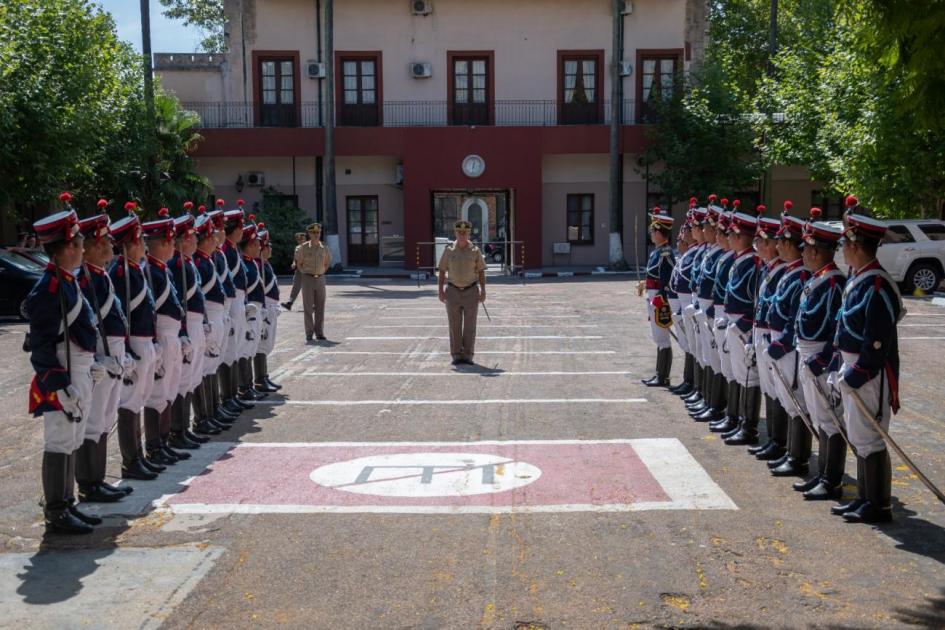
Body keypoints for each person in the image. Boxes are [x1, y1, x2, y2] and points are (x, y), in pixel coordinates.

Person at [28, 193, 103, 534]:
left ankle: (67, 502)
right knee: (58, 440)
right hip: (63, 371)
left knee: (72, 438)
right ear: (68, 246)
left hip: (79, 368)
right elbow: (41, 346)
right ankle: (56, 510)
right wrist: (59, 385)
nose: (83, 248)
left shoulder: (68, 282)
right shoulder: (49, 289)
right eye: (79, 242)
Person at [829, 196, 902, 524]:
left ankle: (879, 504)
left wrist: (859, 372)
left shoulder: (876, 283)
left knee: (871, 437)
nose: (842, 249)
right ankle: (865, 499)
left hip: (869, 372)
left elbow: (878, 338)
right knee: (859, 434)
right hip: (854, 366)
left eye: (846, 243)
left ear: (857, 245)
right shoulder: (860, 277)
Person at [76, 210, 134, 503]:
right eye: (107, 242)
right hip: (100, 353)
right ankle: (89, 482)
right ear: (95, 246)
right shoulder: (85, 279)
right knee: (93, 421)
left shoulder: (99, 276)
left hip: (113, 351)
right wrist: (97, 357)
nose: (112, 246)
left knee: (105, 418)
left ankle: (97, 478)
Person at [793, 211, 847, 500]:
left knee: (830, 419)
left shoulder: (833, 283)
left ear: (816, 251)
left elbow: (836, 329)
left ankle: (832, 480)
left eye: (806, 248)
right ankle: (823, 475)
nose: (802, 253)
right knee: (818, 417)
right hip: (808, 355)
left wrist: (823, 360)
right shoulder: (818, 279)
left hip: (821, 361)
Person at [109, 203, 162, 480]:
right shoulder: (120, 273)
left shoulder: (134, 270)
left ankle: (139, 455)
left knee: (139, 399)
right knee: (129, 402)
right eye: (140, 239)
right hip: (133, 344)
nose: (144, 244)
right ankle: (131, 461)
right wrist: (128, 349)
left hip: (144, 341)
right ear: (129, 244)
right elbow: (122, 314)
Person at [765, 208, 812, 478]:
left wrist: (782, 343)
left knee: (797, 402)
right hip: (777, 340)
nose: (778, 246)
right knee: (784, 397)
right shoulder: (788, 272)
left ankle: (798, 458)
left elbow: (794, 316)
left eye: (784, 242)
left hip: (791, 347)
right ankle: (784, 448)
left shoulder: (802, 276)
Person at [142, 209, 188, 465]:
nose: (173, 246)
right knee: (156, 394)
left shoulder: (162, 271)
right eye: (169, 241)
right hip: (159, 336)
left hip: (171, 335)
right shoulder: (151, 272)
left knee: (169, 390)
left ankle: (164, 440)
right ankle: (154, 446)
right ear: (159, 245)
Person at [747, 213, 791, 462]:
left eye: (766, 241)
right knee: (769, 388)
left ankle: (781, 443)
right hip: (762, 332)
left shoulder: (785, 271)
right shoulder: (769, 269)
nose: (761, 247)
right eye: (759, 242)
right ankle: (774, 439)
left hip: (775, 337)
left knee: (782, 391)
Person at [718, 207, 762, 445]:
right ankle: (734, 417)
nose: (728, 238)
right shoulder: (740, 260)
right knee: (736, 371)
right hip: (734, 323)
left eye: (733, 234)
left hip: (744, 326)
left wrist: (745, 324)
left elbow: (756, 300)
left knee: (747, 376)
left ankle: (748, 426)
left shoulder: (751, 262)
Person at [193, 206, 237, 429]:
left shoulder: (208, 259)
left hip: (217, 313)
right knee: (201, 367)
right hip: (206, 316)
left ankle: (212, 410)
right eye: (212, 234)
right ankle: (203, 417)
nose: (216, 238)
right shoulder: (199, 263)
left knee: (212, 363)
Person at [688, 201, 726, 421]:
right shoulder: (709, 251)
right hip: (705, 307)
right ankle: (706, 397)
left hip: (716, 311)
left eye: (707, 228)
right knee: (705, 354)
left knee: (719, 361)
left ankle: (717, 406)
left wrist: (709, 309)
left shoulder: (721, 254)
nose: (701, 231)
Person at [438, 219, 487, 366]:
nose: (462, 236)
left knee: (470, 325)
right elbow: (441, 270)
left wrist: (483, 290)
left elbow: (481, 271)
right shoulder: (449, 250)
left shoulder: (475, 250)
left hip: (471, 291)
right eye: (459, 233)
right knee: (454, 325)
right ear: (455, 233)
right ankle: (456, 355)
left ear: (468, 234)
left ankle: (468, 355)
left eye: (465, 233)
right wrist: (440, 290)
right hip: (452, 291)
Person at [639, 207, 676, 386]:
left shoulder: (665, 253)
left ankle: (663, 376)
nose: (651, 234)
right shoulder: (656, 252)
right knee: (657, 337)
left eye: (654, 230)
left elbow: (668, 278)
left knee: (662, 337)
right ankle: (659, 374)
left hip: (659, 300)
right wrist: (646, 285)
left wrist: (661, 298)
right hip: (653, 297)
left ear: (662, 232)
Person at [667, 200, 698, 396]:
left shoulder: (696, 254)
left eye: (688, 229)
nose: (682, 235)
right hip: (681, 303)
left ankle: (694, 384)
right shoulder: (689, 254)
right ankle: (689, 381)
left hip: (690, 303)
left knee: (696, 348)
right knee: (689, 345)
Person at [255, 224, 282, 392]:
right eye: (267, 246)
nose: (270, 249)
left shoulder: (265, 265)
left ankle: (263, 376)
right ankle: (259, 379)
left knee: (266, 343)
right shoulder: (259, 265)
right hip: (263, 308)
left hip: (270, 308)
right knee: (260, 344)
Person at [295, 222, 331, 342]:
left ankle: (319, 332)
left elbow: (327, 263)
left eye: (318, 232)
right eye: (314, 232)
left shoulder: (324, 247)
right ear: (309, 234)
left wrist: (320, 272)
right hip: (308, 278)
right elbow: (299, 264)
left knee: (321, 306)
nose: (316, 234)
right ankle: (309, 333)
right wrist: (306, 273)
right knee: (308, 307)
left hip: (320, 278)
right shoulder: (303, 248)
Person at [281, 231, 308, 311]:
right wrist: (293, 264)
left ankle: (311, 305)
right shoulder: (297, 248)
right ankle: (290, 303)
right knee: (295, 286)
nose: (300, 241)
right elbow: (295, 259)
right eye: (299, 240)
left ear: (305, 239)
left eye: (302, 239)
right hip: (299, 271)